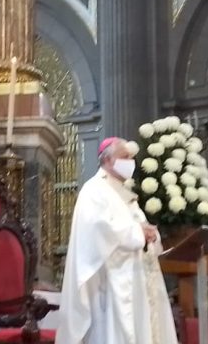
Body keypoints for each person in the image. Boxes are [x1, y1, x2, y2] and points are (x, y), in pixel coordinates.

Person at [56, 137, 178, 344]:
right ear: (108, 160)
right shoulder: (93, 190)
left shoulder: (123, 193)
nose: (130, 161)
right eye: (125, 157)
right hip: (112, 282)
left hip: (139, 277)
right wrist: (138, 233)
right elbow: (99, 230)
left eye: (131, 157)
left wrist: (151, 235)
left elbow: (140, 228)